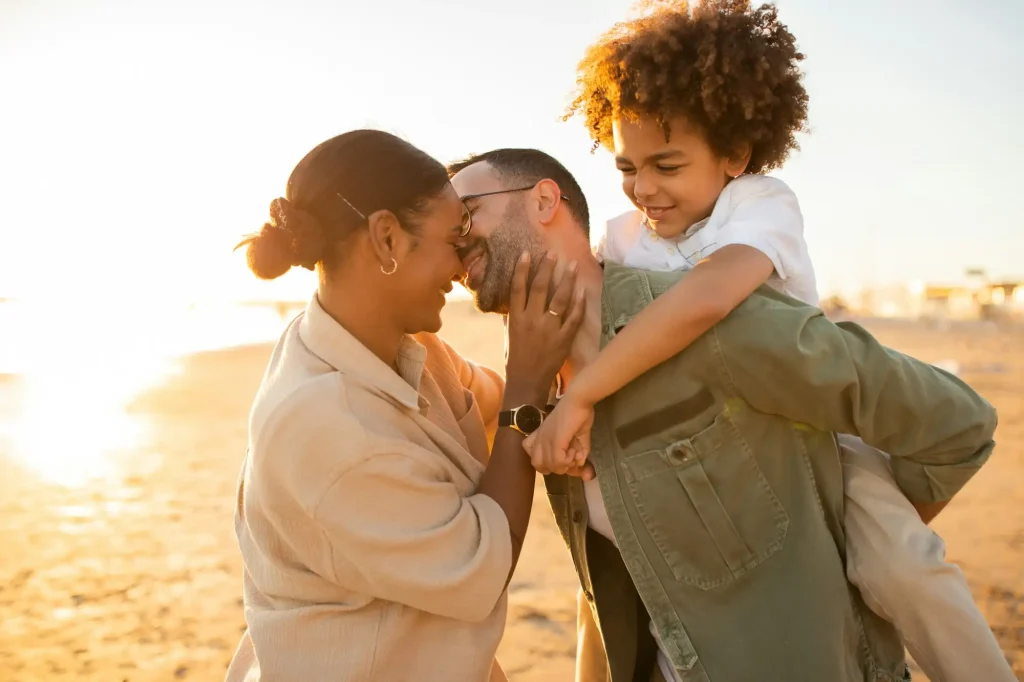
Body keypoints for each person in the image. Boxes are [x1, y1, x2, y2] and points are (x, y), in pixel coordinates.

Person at [521, 2, 1015, 681]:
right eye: (627, 167)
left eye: (666, 165)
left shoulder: (758, 206)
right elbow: (596, 315)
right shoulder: (623, 234)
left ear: (735, 154)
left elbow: (709, 300)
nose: (644, 190)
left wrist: (583, 395)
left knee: (904, 568)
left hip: (813, 440)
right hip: (722, 453)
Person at [448, 146, 999, 681]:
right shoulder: (532, 378)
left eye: (468, 214)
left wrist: (844, 547)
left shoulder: (710, 327)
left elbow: (955, 426)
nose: (457, 239)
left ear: (545, 201)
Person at [223, 129, 585, 682]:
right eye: (452, 236)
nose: (463, 262)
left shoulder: (405, 346)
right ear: (387, 239)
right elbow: (480, 568)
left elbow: (488, 402)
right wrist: (526, 392)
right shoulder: (322, 422)